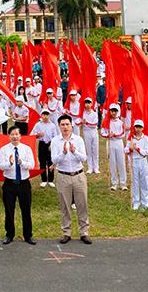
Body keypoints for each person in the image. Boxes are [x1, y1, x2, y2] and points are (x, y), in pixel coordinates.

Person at [51, 113, 91, 244]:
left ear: (71, 125)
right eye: (62, 125)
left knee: (82, 204)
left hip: (78, 175)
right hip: (63, 176)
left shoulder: (78, 140)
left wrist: (74, 151)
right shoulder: (55, 141)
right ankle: (66, 232)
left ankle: (84, 232)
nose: (65, 127)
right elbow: (54, 160)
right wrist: (63, 153)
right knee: (65, 206)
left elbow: (84, 158)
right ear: (59, 126)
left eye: (67, 124)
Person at [0, 126, 34, 244]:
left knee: (26, 210)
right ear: (9, 136)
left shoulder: (26, 149)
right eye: (12, 134)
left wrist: (21, 162)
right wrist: (10, 163)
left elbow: (32, 165)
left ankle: (28, 235)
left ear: (20, 136)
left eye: (16, 134)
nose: (14, 136)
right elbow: (1, 166)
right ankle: (9, 234)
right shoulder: (4, 149)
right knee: (9, 210)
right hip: (10, 183)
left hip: (24, 183)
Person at [101, 103, 127, 191]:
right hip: (110, 143)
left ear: (117, 111)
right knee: (112, 163)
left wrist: (115, 135)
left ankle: (123, 183)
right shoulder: (106, 121)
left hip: (119, 143)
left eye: (115, 111)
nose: (113, 113)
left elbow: (123, 134)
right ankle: (114, 183)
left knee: (121, 162)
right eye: (112, 111)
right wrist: (108, 135)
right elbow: (102, 132)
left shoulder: (120, 122)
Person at [127, 119, 148, 210]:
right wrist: (130, 149)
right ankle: (136, 202)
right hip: (134, 161)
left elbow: (146, 151)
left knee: (144, 181)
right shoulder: (131, 138)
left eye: (140, 127)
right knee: (135, 181)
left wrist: (137, 149)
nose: (138, 129)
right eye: (136, 127)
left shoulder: (145, 138)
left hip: (143, 161)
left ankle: (145, 202)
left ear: (142, 128)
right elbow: (126, 150)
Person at [30, 110, 57, 187]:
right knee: (42, 162)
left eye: (47, 114)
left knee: (50, 162)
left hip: (50, 144)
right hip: (42, 144)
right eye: (44, 114)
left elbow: (55, 136)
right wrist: (38, 135)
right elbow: (32, 134)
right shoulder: (38, 125)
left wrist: (52, 145)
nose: (45, 116)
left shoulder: (52, 125)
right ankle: (44, 180)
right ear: (41, 115)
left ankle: (51, 180)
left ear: (49, 115)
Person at [81, 98, 101, 174]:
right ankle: (90, 167)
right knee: (88, 150)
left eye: (89, 103)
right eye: (86, 103)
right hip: (86, 132)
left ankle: (96, 167)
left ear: (91, 104)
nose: (87, 105)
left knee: (95, 150)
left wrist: (87, 123)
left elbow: (95, 124)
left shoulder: (94, 113)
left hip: (94, 132)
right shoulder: (83, 113)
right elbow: (80, 122)